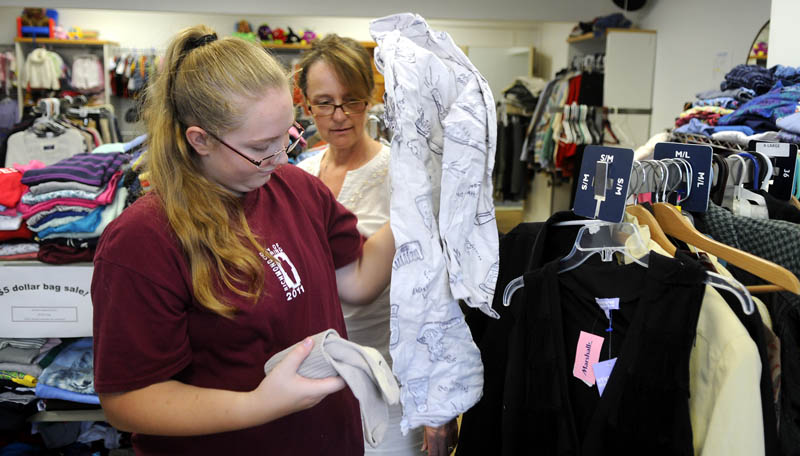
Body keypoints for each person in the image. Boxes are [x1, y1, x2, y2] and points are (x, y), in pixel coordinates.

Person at [90, 25, 396, 455]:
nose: (280, 157)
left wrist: (416, 205)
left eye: (287, 136)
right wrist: (258, 405)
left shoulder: (295, 188)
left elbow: (358, 282)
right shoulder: (143, 241)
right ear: (200, 140)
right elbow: (127, 401)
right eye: (261, 146)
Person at [296, 34, 459, 456]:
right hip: (308, 381)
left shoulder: (403, 175)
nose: (339, 115)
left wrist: (436, 405)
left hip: (386, 380)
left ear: (370, 99)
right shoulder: (301, 175)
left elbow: (434, 291)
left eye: (351, 100)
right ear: (306, 104)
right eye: (324, 102)